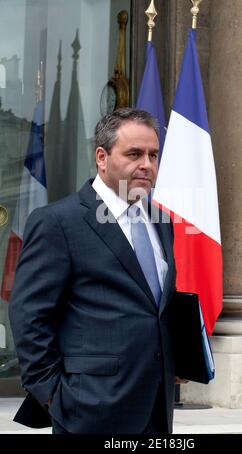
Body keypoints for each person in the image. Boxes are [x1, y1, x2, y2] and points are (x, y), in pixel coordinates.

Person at [9, 108, 183, 434]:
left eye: (153, 154)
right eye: (134, 154)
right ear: (102, 157)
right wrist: (53, 396)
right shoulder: (58, 222)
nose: (147, 164)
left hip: (157, 409)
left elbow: (154, 306)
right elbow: (29, 316)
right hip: (88, 411)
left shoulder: (160, 222)